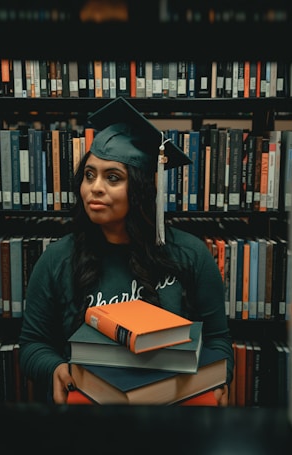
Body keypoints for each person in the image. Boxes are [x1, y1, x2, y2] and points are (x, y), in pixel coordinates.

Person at [19, 97, 234, 406]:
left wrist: (218, 377)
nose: (95, 187)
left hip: (172, 410)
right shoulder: (58, 258)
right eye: (89, 175)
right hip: (89, 410)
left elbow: (217, 339)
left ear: (141, 189)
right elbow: (32, 344)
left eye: (113, 177)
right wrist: (53, 367)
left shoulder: (190, 254)